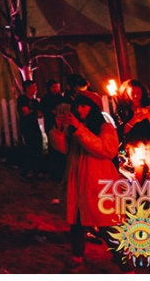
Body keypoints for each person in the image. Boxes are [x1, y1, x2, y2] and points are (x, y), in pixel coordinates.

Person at [49, 94, 124, 271]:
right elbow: (63, 148)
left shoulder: (105, 127)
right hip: (76, 179)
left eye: (84, 106)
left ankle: (125, 264)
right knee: (76, 221)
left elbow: (106, 150)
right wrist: (58, 129)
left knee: (107, 225)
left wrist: (80, 129)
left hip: (97, 181)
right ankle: (77, 256)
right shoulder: (74, 127)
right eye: (78, 106)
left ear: (94, 108)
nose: (80, 109)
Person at [116, 79, 150, 181]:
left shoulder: (149, 105)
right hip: (133, 147)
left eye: (139, 93)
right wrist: (134, 120)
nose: (136, 96)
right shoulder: (123, 109)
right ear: (126, 93)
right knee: (137, 179)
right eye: (133, 93)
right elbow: (121, 131)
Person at [40, 79, 67, 182]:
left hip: (62, 126)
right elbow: (44, 110)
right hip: (51, 125)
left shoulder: (61, 98)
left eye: (57, 87)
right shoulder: (46, 99)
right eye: (54, 87)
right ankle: (54, 172)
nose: (56, 89)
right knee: (53, 148)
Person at [17, 80, 42, 179]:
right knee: (30, 148)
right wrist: (34, 112)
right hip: (27, 126)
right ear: (27, 88)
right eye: (33, 87)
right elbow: (25, 112)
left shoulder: (35, 101)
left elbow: (40, 114)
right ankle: (25, 171)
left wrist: (33, 111)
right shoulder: (22, 99)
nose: (35, 89)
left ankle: (36, 171)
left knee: (38, 146)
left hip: (35, 125)